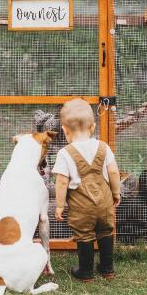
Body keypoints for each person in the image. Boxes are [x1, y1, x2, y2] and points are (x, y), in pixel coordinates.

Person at [53, 98, 121, 281]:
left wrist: (60, 205)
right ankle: (107, 269)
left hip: (81, 207)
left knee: (84, 235)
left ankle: (86, 271)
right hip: (105, 203)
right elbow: (114, 172)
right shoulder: (103, 147)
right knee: (106, 231)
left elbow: (61, 181)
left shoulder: (65, 153)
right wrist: (115, 193)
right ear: (93, 128)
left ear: (65, 130)